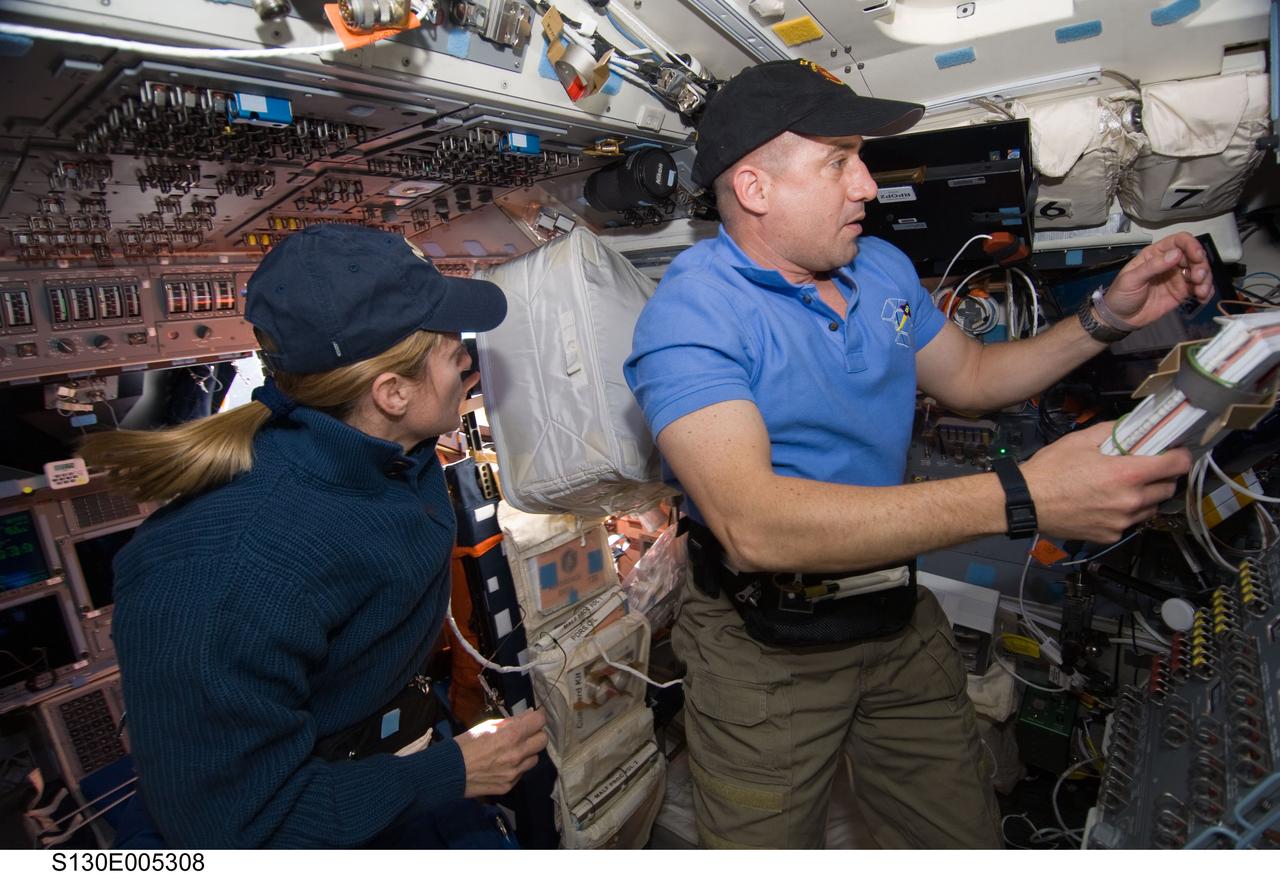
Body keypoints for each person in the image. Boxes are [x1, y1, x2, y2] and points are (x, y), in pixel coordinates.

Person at [624, 59, 1211, 849]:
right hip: (765, 648)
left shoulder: (882, 270)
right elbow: (753, 525)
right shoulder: (691, 314)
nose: (867, 185)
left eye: (860, 159)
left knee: (959, 837)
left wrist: (1105, 318)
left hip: (895, 620)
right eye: (839, 161)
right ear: (757, 189)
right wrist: (1022, 496)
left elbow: (971, 377)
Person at [80, 225, 548, 848]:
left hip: (397, 745)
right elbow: (236, 831)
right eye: (448, 345)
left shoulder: (394, 453)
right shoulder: (219, 572)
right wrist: (449, 773)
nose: (468, 355)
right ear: (392, 392)